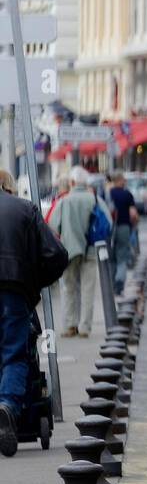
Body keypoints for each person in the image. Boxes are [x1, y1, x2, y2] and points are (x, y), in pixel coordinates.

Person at [0, 169, 69, 456]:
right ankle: (7, 406)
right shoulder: (24, 209)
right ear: (9, 186)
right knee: (15, 353)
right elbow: (57, 254)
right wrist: (35, 284)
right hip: (14, 291)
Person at [47, 167, 111, 338]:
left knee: (69, 288)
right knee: (88, 289)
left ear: (72, 183)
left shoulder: (65, 201)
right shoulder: (95, 199)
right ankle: (85, 327)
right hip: (91, 250)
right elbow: (108, 222)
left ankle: (70, 325)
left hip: (69, 250)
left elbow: (53, 225)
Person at [107, 173, 139, 296]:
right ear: (119, 180)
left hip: (110, 230)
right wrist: (134, 226)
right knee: (122, 256)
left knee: (111, 257)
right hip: (124, 228)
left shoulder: (108, 194)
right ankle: (119, 284)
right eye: (124, 179)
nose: (125, 181)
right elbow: (133, 214)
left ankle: (111, 283)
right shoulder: (127, 195)